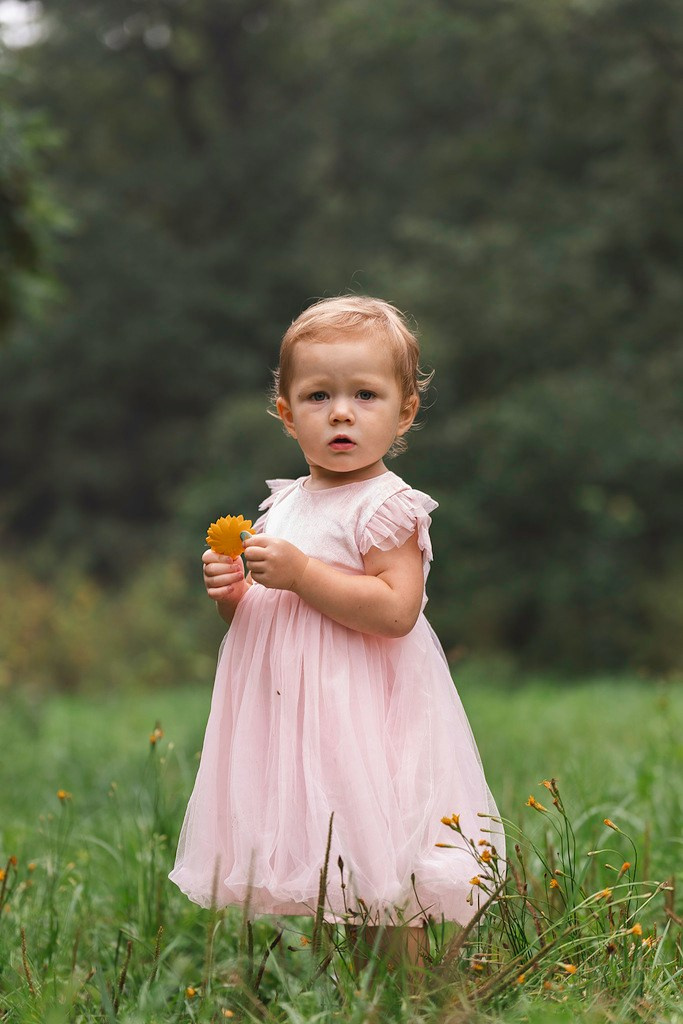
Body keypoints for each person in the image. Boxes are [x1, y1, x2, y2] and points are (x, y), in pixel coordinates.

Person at [168, 296, 504, 971]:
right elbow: (268, 620)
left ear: (404, 410)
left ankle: (413, 995)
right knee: (328, 868)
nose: (341, 412)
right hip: (296, 724)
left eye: (365, 395)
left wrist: (299, 571)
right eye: (318, 395)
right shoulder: (283, 503)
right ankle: (355, 995)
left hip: (361, 714)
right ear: (287, 414)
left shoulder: (385, 508)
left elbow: (394, 610)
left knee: (380, 861)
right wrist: (237, 594)